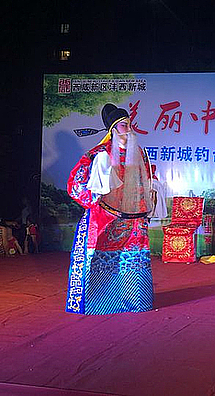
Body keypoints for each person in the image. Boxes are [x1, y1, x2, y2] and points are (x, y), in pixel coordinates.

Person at [65, 103, 154, 315]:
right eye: (124, 125)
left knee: (134, 259)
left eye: (129, 124)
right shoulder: (99, 154)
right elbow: (76, 185)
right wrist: (99, 189)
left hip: (134, 219)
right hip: (105, 217)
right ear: (113, 129)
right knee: (99, 258)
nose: (129, 129)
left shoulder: (139, 153)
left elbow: (146, 181)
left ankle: (136, 302)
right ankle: (99, 303)